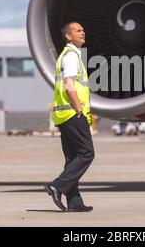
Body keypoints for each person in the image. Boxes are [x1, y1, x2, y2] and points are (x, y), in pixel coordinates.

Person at [44, 22, 94, 212]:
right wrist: (79, 107)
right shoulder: (71, 56)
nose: (83, 32)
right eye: (78, 30)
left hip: (64, 114)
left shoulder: (68, 56)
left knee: (72, 158)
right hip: (73, 113)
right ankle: (57, 186)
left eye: (83, 29)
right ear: (68, 36)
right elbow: (69, 84)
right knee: (87, 153)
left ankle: (74, 202)